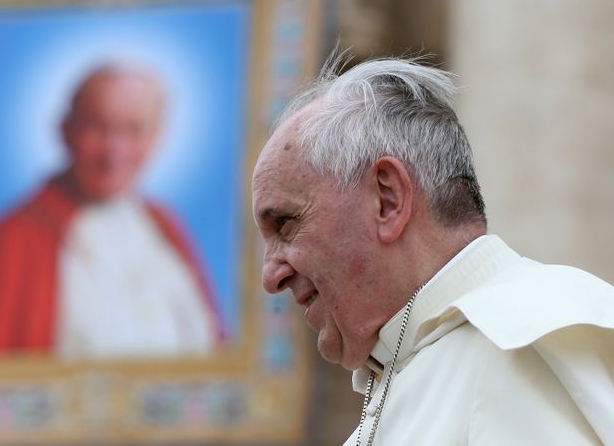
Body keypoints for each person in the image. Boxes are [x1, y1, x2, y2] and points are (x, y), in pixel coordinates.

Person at [252, 57, 614, 445]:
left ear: (388, 201)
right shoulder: (414, 368)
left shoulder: (520, 345)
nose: (271, 277)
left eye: (286, 225)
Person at [0, 65, 222, 359]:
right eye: (97, 127)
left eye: (134, 130)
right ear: (66, 130)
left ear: (158, 137)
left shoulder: (164, 224)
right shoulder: (13, 239)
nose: (114, 151)